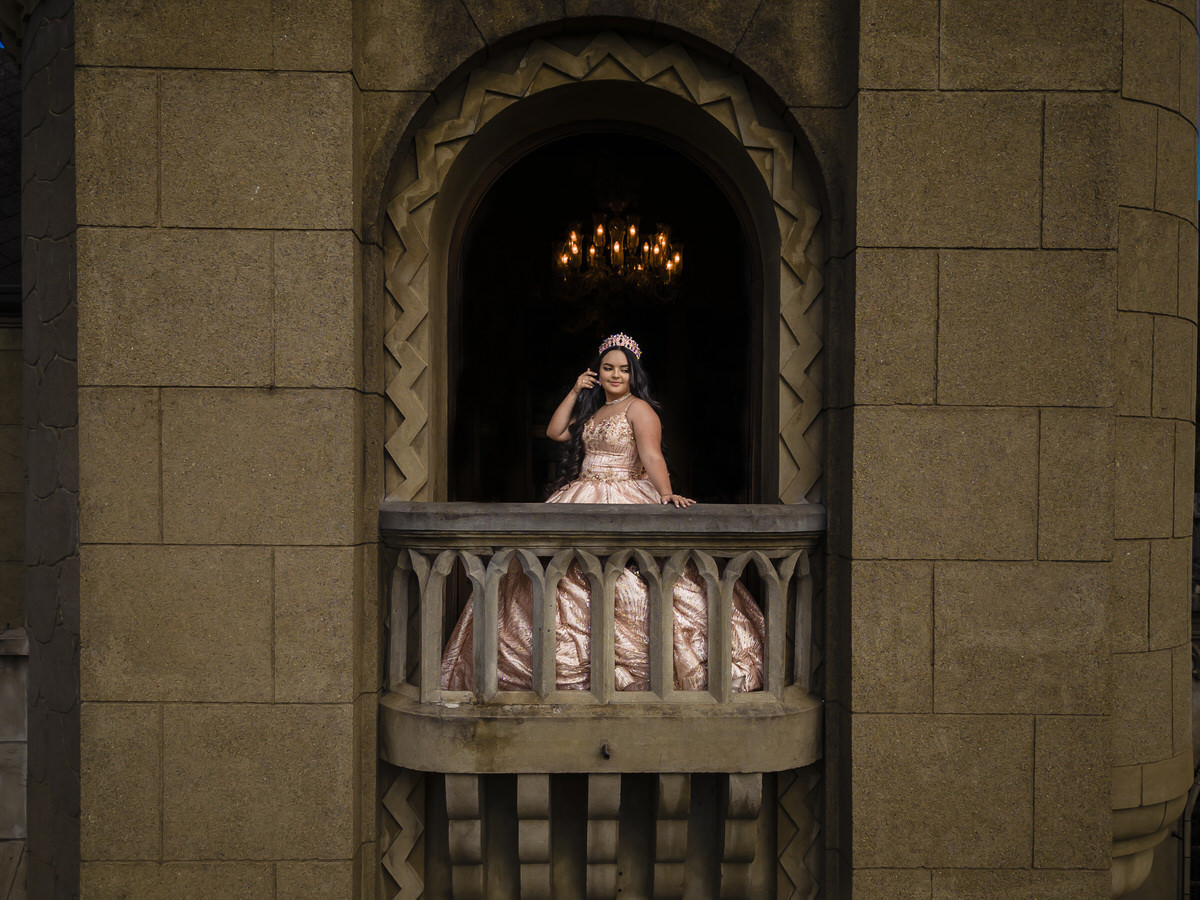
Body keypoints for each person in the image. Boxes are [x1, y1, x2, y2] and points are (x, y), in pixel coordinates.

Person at [440, 333, 765, 692]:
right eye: (608, 368)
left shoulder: (639, 409)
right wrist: (575, 390)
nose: (615, 375)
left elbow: (651, 455)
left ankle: (628, 666)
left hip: (624, 492)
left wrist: (666, 493)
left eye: (623, 369)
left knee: (626, 577)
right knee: (557, 573)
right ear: (597, 372)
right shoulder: (593, 411)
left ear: (633, 374)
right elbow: (555, 431)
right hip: (582, 493)